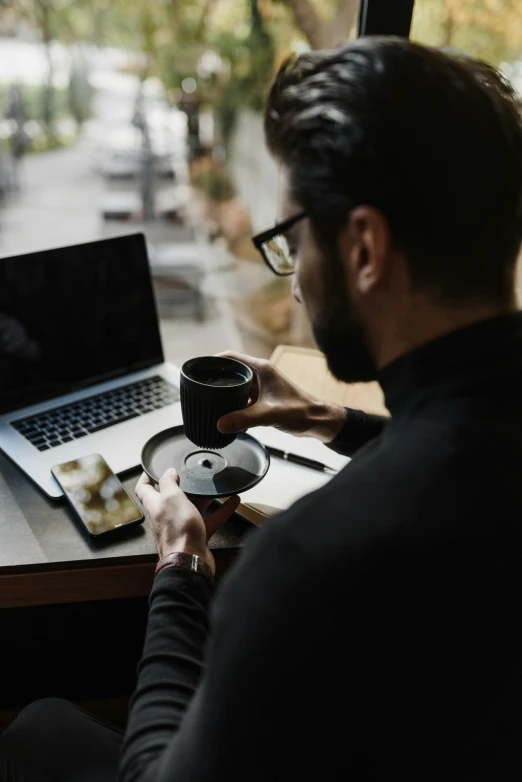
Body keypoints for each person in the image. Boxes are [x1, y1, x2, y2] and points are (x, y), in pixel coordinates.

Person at [3, 35, 522, 781]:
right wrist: (333, 421)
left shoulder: (308, 565)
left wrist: (181, 567)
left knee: (39, 727)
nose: (297, 282)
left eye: (292, 239)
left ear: (365, 249)